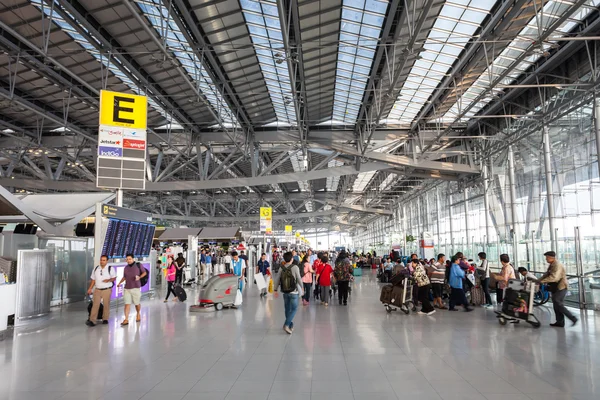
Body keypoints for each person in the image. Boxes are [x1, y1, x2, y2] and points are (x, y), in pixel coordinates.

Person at [539, 251, 578, 327]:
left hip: (561, 287)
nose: (546, 259)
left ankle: (573, 318)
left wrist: (542, 281)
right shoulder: (552, 265)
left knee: (557, 302)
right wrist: (539, 280)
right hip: (555, 287)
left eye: (547, 258)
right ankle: (560, 322)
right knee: (556, 305)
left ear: (551, 258)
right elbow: (546, 275)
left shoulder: (557, 265)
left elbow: (554, 277)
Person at [273, 251, 303, 334]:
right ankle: (286, 325)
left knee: (287, 308)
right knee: (294, 308)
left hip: (285, 291)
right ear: (292, 259)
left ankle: (290, 324)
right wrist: (302, 287)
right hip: (293, 291)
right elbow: (299, 278)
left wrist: (275, 290)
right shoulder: (295, 267)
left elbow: (277, 279)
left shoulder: (281, 268)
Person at [86, 255, 116, 326]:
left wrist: (108, 280)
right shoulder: (96, 268)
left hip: (107, 289)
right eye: (101, 260)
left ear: (107, 261)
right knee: (95, 305)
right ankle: (92, 320)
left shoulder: (110, 268)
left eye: (104, 260)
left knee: (106, 304)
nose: (102, 261)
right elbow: (93, 279)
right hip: (97, 289)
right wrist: (90, 288)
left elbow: (114, 278)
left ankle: (105, 319)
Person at [117, 254, 147, 326]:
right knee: (127, 304)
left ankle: (138, 313)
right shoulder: (126, 268)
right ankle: (126, 319)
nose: (128, 261)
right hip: (127, 288)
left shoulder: (138, 265)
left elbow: (144, 272)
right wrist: (119, 283)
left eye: (129, 259)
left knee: (136, 303)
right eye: (127, 259)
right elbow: (124, 277)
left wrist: (139, 277)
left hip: (136, 288)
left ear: (133, 259)